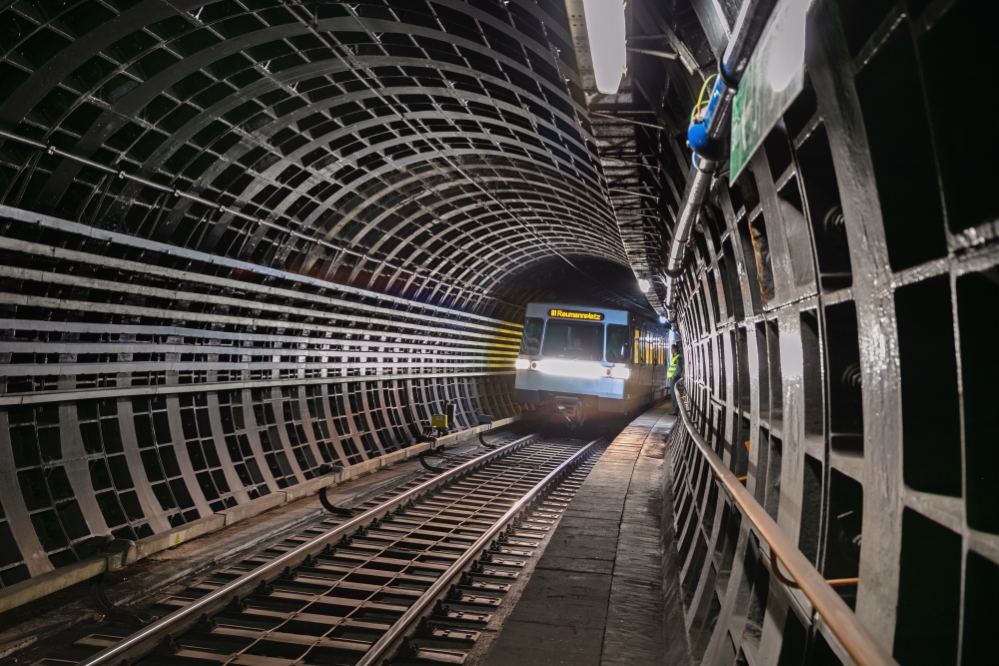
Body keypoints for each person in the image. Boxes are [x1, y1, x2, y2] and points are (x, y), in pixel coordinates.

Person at [667, 343, 683, 416]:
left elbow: (679, 368)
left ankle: (676, 410)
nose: (671, 350)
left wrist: (674, 376)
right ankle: (675, 409)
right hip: (673, 378)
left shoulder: (678, 357)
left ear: (676, 349)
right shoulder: (675, 356)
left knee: (675, 394)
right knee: (673, 394)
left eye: (672, 349)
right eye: (671, 349)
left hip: (674, 378)